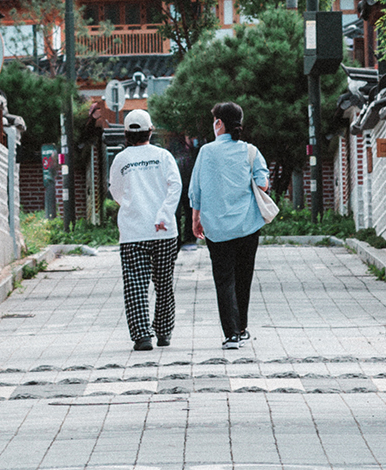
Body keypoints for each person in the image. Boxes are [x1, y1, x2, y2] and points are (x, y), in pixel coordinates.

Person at [189, 101, 271, 349]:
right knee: (243, 278)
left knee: (224, 279)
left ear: (219, 123)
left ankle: (231, 334)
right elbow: (263, 184)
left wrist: (196, 219)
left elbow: (196, 190)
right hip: (247, 225)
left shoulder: (206, 152)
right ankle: (242, 328)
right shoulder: (250, 151)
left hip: (217, 228)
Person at [108, 108, 183, 351]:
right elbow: (175, 186)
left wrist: (133, 206)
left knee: (135, 285)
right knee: (164, 283)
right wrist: (164, 213)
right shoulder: (163, 156)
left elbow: (116, 191)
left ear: (126, 134)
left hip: (133, 231)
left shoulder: (121, 159)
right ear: (151, 131)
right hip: (164, 231)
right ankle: (164, 332)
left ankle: (142, 336)